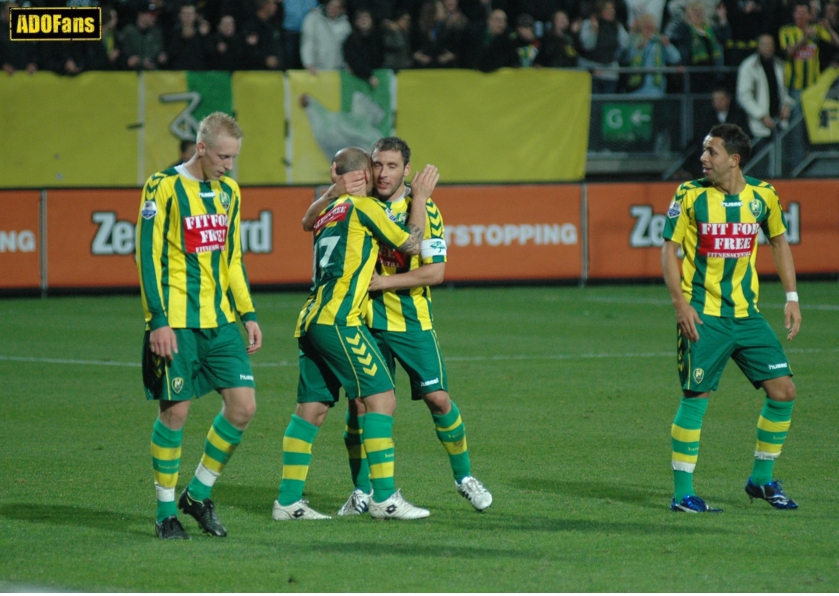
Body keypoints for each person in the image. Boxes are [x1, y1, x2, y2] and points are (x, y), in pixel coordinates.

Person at [302, 137, 493, 516]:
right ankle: (362, 492)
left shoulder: (425, 210)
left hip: (410, 321)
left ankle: (464, 477)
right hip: (365, 320)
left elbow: (435, 271)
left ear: (408, 170)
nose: (383, 173)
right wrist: (332, 190)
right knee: (360, 406)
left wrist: (385, 282)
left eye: (392, 166)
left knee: (438, 399)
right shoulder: (361, 202)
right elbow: (309, 221)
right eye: (377, 165)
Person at [272, 147, 434, 521]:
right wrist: (420, 199)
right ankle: (384, 497)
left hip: (311, 318)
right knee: (382, 399)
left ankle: (288, 500)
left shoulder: (329, 211)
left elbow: (304, 221)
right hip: (339, 319)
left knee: (310, 410)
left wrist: (332, 190)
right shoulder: (365, 208)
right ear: (362, 177)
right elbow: (411, 244)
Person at [661, 123, 801, 513]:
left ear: (734, 160)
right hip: (704, 317)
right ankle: (682, 495)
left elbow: (778, 241)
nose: (702, 159)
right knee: (696, 398)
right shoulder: (689, 196)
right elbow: (668, 251)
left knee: (783, 392)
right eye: (704, 151)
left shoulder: (764, 196)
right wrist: (680, 305)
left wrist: (792, 297)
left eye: (712, 152)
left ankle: (761, 481)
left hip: (747, 316)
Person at [135, 112, 263, 540]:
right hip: (177, 324)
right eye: (224, 156)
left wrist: (247, 313)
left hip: (221, 320)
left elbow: (233, 259)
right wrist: (158, 320)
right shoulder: (163, 186)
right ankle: (165, 511)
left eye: (235, 158)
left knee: (243, 407)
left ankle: (198, 494)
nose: (229, 165)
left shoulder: (229, 192)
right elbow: (147, 256)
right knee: (176, 413)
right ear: (202, 148)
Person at [736, 34, 793, 142]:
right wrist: (761, 115)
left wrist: (786, 105)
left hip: (779, 122)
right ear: (759, 46)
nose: (769, 47)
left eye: (771, 44)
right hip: (758, 126)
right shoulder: (748, 66)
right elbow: (743, 96)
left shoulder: (779, 64)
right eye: (765, 44)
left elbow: (784, 90)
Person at [620, 11, 681, 96]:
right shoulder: (634, 41)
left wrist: (668, 45)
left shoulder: (660, 42)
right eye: (646, 26)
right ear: (641, 27)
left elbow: (676, 58)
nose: (648, 29)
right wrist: (636, 48)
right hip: (636, 87)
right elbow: (625, 58)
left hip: (655, 88)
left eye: (650, 27)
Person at [578, 0, 630, 93]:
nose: (612, 12)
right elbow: (587, 46)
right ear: (600, 10)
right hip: (592, 71)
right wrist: (594, 31)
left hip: (610, 72)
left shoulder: (617, 26)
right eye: (608, 9)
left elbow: (625, 44)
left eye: (613, 9)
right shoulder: (588, 24)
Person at [300, 0, 352, 74]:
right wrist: (308, 63)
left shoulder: (345, 25)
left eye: (337, 7)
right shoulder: (313, 18)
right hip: (316, 69)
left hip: (336, 70)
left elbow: (347, 48)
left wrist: (347, 65)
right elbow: (307, 42)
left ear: (342, 10)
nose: (333, 9)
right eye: (331, 6)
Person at [121, 4, 168, 71]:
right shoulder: (129, 32)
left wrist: (162, 58)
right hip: (131, 75)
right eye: (151, 14)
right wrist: (140, 62)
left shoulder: (156, 33)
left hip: (153, 75)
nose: (154, 17)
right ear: (141, 15)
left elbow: (159, 52)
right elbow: (124, 54)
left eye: (155, 15)